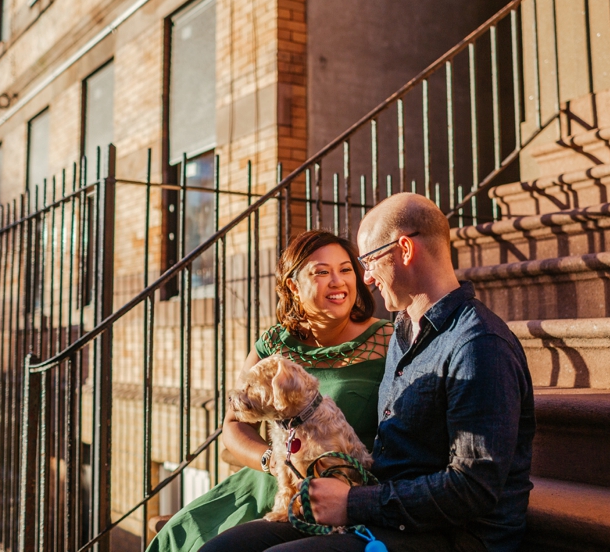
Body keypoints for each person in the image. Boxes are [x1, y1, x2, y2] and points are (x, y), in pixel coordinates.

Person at [202, 193, 535, 551]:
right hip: (381, 515)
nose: (366, 278)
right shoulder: (405, 329)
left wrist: (352, 502)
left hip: (448, 535)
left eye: (369, 260)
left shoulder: (479, 345)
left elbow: (473, 488)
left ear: (404, 249)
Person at [148, 230, 393, 552]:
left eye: (345, 269)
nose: (337, 281)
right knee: (182, 536)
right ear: (293, 285)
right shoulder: (274, 344)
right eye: (321, 272)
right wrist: (272, 461)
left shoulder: (388, 340)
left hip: (342, 493)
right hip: (269, 485)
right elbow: (234, 425)